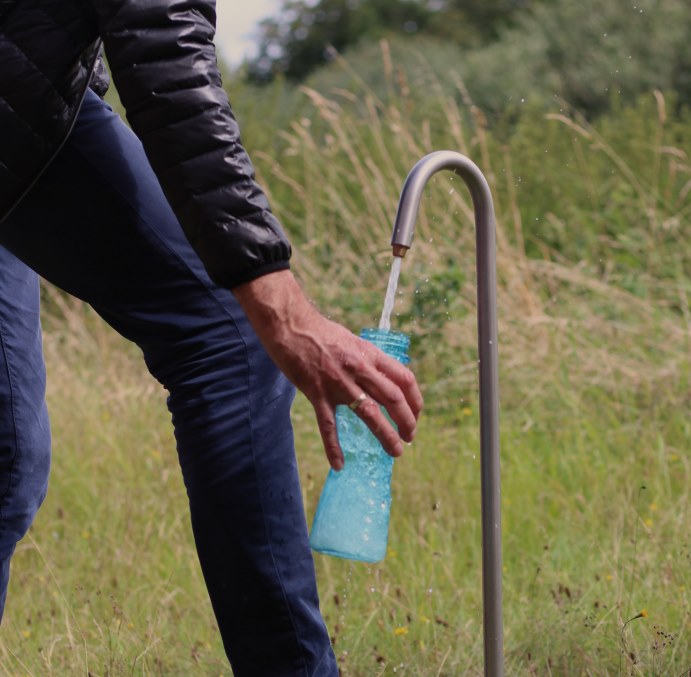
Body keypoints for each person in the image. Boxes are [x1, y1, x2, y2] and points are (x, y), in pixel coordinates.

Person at [0, 0, 423, 674]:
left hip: (28, 98)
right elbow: (160, 44)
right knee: (227, 337)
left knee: (5, 452)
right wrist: (279, 305)